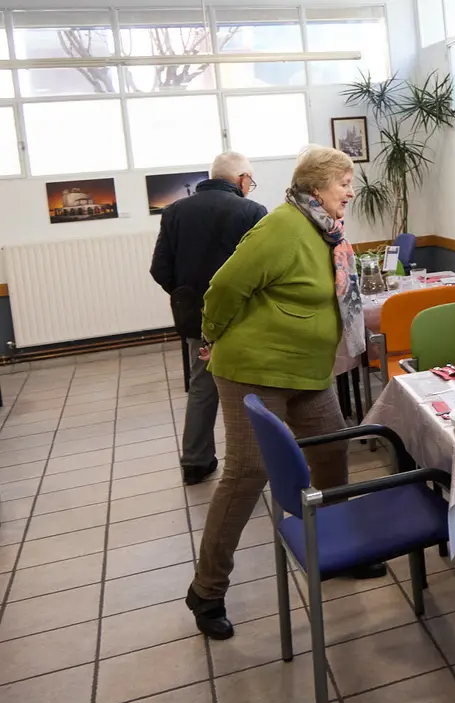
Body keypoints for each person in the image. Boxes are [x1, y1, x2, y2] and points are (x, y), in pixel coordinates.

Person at [186, 145, 372, 640]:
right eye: (343, 183)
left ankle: (338, 549)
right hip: (253, 369)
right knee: (249, 471)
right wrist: (211, 336)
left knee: (332, 450)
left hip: (307, 372)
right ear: (316, 188)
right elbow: (223, 287)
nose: (351, 191)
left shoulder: (325, 230)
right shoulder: (282, 227)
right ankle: (207, 590)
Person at [149, 151, 267, 486]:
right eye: (250, 181)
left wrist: (187, 294)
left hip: (197, 317)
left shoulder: (174, 211)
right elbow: (265, 267)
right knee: (250, 386)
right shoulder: (252, 211)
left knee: (202, 386)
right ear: (242, 179)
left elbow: (160, 268)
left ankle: (196, 462)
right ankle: (251, 459)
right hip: (244, 314)